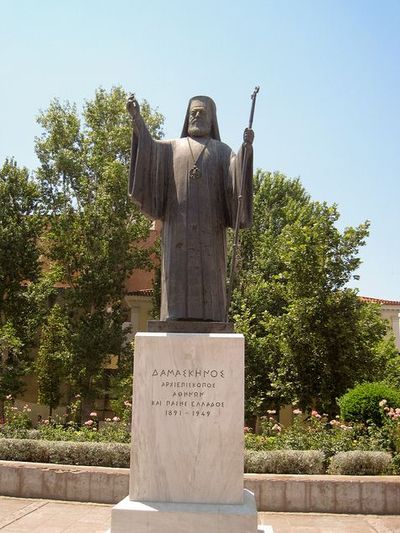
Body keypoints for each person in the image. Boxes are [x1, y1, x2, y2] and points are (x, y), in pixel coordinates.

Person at [127, 94, 254, 322]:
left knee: (211, 278)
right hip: (177, 232)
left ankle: (212, 317)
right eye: (193, 112)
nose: (196, 116)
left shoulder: (223, 151)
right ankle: (174, 316)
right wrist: (137, 120)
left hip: (210, 235)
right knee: (176, 277)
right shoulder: (171, 148)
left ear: (212, 119)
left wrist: (245, 150)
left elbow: (236, 179)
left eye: (201, 112)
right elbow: (148, 148)